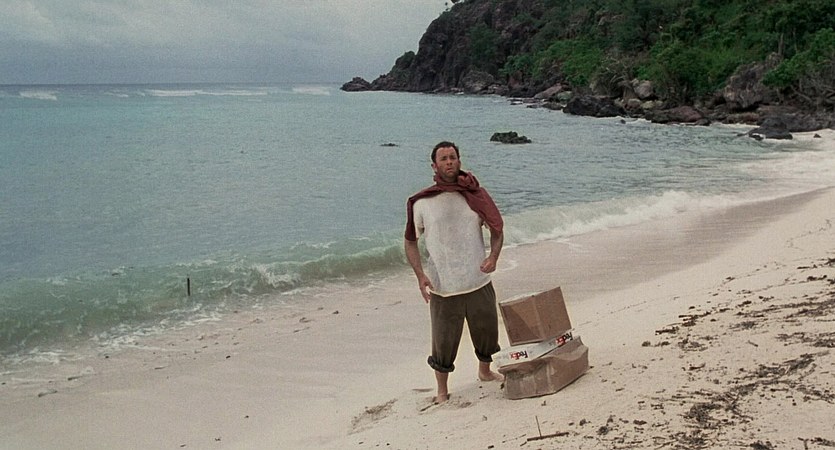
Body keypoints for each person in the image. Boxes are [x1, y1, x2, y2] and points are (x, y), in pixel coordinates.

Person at [404, 141, 505, 404]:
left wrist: (493, 257)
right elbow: (410, 241)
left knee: (487, 332)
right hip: (443, 285)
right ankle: (442, 389)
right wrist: (420, 275)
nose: (449, 162)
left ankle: (485, 371)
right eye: (444, 159)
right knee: (443, 341)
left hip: (477, 279)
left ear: (459, 160)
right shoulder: (422, 203)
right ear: (434, 166)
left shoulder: (475, 195)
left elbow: (497, 228)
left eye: (452, 157)